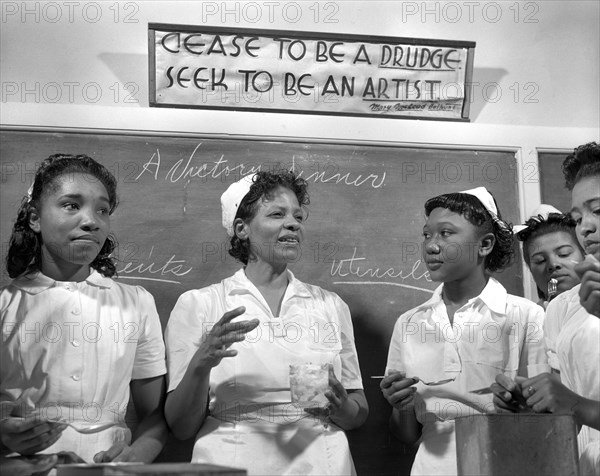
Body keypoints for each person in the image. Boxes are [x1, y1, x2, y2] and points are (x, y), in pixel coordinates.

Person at [165, 171, 368, 476]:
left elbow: (357, 410)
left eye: (298, 216)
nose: (293, 223)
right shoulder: (200, 305)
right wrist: (201, 362)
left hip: (322, 463)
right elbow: (181, 427)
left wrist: (342, 409)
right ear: (242, 229)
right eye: (277, 214)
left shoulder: (329, 305)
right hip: (232, 462)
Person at [0, 154, 168, 466]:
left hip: (107, 466)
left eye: (102, 210)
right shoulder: (6, 306)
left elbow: (156, 419)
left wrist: (136, 456)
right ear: (35, 218)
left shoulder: (135, 303)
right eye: (71, 205)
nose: (91, 220)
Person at [381, 187, 549, 476]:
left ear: (484, 245)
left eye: (446, 233)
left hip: (505, 462)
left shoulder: (524, 315)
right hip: (430, 466)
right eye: (426, 234)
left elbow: (547, 415)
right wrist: (402, 405)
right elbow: (406, 433)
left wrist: (519, 407)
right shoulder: (410, 323)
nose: (431, 246)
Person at [493, 142, 600, 474]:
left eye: (599, 210)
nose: (585, 226)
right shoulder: (563, 307)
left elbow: (578, 405)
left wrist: (579, 406)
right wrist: (535, 405)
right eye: (578, 216)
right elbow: (568, 409)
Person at [514, 204, 585, 308]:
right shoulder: (530, 319)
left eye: (563, 254)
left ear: (585, 254)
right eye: (540, 260)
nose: (553, 264)